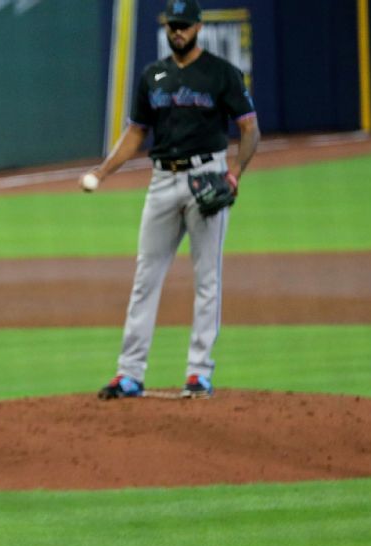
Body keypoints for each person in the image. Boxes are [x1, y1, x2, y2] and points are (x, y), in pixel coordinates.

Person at [84, 0, 260, 400]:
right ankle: (129, 373)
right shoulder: (153, 76)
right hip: (162, 180)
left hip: (206, 175)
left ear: (198, 26)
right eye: (172, 25)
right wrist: (103, 171)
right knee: (145, 277)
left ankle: (199, 372)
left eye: (184, 25)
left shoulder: (221, 73)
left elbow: (250, 129)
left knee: (206, 279)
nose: (178, 31)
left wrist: (234, 174)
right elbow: (135, 134)